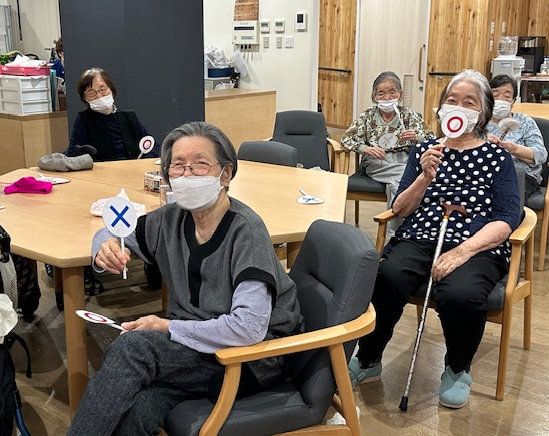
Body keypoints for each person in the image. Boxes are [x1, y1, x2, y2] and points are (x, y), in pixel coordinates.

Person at [67, 121, 303, 435]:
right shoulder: (171, 219)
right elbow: (115, 231)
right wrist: (104, 246)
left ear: (226, 174)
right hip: (194, 348)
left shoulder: (246, 231)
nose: (187, 175)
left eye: (200, 164)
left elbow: (249, 328)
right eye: (177, 166)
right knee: (135, 411)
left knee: (132, 349)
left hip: (248, 359)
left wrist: (166, 326)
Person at [347, 69, 520, 409]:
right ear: (441, 109)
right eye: (452, 100)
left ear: (483, 112)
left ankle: (457, 368)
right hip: (421, 234)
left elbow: (508, 217)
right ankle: (368, 358)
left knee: (461, 294)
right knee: (387, 277)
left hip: (476, 244)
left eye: (469, 102)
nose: (458, 107)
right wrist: (425, 176)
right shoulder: (426, 150)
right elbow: (400, 208)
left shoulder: (497, 157)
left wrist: (462, 252)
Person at [341, 71, 435, 234]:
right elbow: (346, 139)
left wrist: (417, 137)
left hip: (404, 159)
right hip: (377, 161)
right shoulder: (367, 116)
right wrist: (366, 149)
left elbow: (432, 139)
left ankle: (400, 228)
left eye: (392, 92)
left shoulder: (408, 116)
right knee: (405, 178)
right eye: (381, 94)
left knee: (395, 183)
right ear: (374, 97)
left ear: (400, 94)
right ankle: (399, 232)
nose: (387, 97)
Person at [65, 67, 160, 161]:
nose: (99, 96)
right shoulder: (83, 119)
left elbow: (153, 146)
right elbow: (73, 154)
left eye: (102, 89)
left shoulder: (129, 117)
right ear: (85, 98)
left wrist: (139, 164)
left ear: (111, 89)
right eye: (91, 93)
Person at [487, 74, 547, 202]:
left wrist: (514, 149)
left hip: (521, 175)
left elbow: (541, 155)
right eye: (495, 95)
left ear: (513, 101)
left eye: (507, 96)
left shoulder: (525, 122)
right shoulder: (480, 123)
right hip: (486, 173)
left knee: (505, 200)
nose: (500, 99)